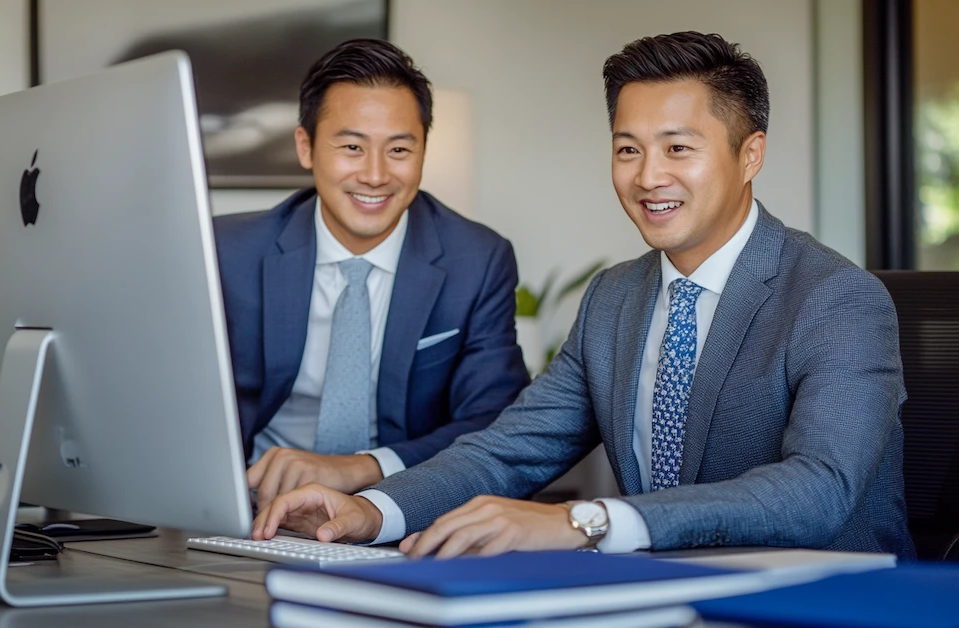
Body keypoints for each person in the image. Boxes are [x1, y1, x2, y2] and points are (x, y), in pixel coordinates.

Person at [251, 31, 917, 560]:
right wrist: (371, 511)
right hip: (653, 596)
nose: (648, 176)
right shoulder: (614, 299)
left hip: (823, 597)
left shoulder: (836, 298)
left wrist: (585, 521)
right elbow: (508, 449)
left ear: (750, 155)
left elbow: (817, 490)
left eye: (678, 148)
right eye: (628, 150)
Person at [214, 39, 530, 506]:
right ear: (306, 147)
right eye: (352, 147)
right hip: (251, 503)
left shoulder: (477, 260)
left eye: (398, 149)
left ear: (423, 151)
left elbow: (494, 421)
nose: (376, 175)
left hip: (397, 507)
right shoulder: (227, 253)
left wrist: (363, 467)